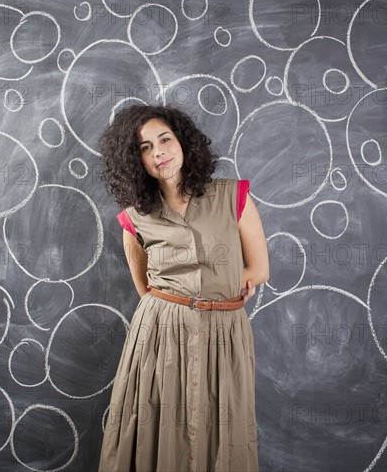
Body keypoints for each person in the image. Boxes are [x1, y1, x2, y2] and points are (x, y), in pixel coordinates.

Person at [97, 104, 269, 472]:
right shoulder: (135, 216)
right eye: (144, 148)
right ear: (136, 161)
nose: (158, 151)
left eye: (164, 139)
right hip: (160, 333)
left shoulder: (232, 195)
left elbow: (259, 268)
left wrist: (226, 287)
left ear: (183, 143)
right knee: (156, 427)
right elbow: (144, 287)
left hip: (224, 332)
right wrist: (178, 313)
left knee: (222, 430)